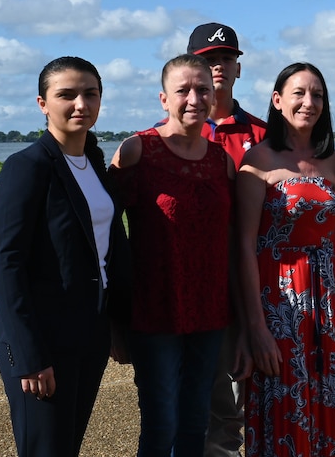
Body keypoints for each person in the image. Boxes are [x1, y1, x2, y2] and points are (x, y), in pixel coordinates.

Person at [0, 56, 132, 457]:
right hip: (43, 341)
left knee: (66, 447)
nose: (80, 104)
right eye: (66, 95)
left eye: (90, 93)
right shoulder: (27, 167)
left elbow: (107, 246)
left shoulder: (95, 163)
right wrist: (30, 355)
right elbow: (6, 263)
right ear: (42, 103)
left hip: (89, 335)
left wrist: (117, 323)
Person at [110, 54, 236, 457]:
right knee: (161, 423)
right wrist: (115, 322)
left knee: (197, 421)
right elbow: (108, 237)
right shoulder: (136, 151)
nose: (194, 98)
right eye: (183, 90)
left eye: (203, 89)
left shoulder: (222, 161)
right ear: (164, 99)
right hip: (155, 311)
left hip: (209, 311)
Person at [235, 62, 335, 456]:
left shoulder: (334, 160)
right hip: (280, 304)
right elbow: (244, 246)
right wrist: (255, 328)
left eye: (317, 94)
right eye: (299, 93)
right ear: (277, 100)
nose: (309, 102)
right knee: (284, 406)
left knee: (329, 400)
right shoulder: (259, 159)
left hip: (329, 302)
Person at [184, 22, 268, 457]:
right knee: (183, 409)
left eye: (224, 58)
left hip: (242, 290)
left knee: (234, 411)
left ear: (238, 67)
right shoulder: (164, 136)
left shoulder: (261, 135)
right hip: (185, 291)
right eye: (207, 59)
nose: (217, 66)